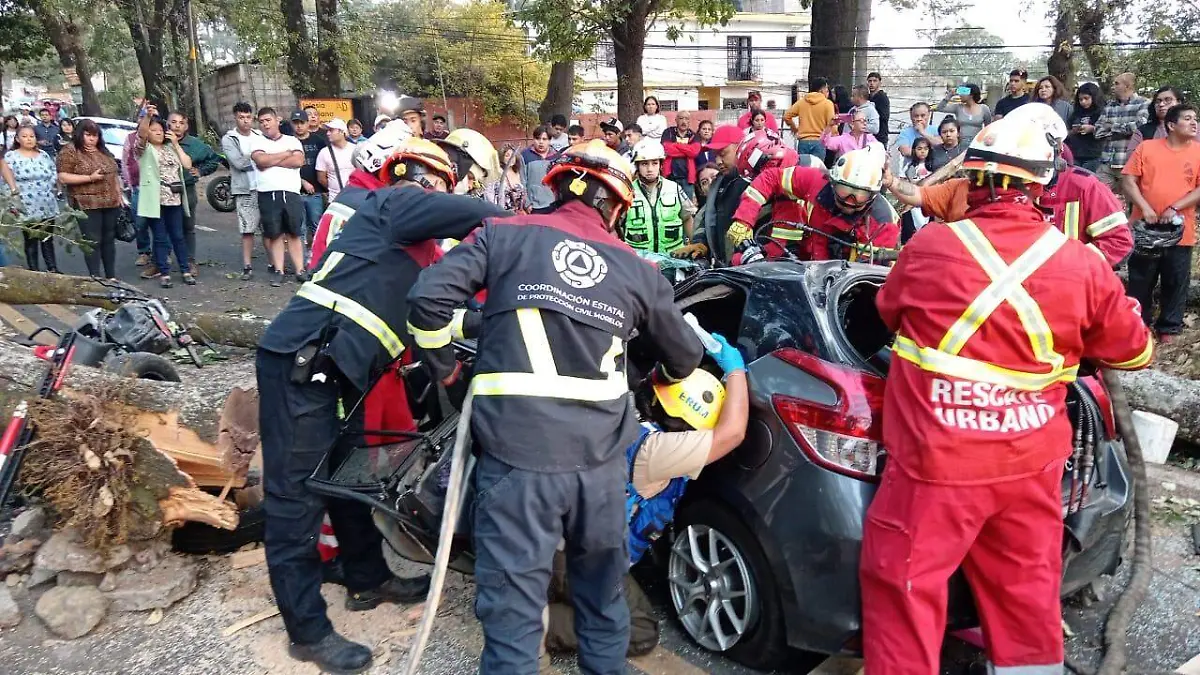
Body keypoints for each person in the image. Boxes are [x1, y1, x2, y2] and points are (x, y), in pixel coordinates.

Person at [860, 113, 1154, 675]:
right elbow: (1135, 353)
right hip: (1029, 466)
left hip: (933, 466)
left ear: (974, 177)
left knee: (904, 589)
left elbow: (887, 312)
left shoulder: (930, 248)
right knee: (1024, 595)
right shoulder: (1083, 266)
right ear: (1043, 183)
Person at [405, 139, 705, 675]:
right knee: (603, 605)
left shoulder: (503, 234)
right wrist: (651, 371)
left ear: (557, 185)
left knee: (515, 622)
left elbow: (428, 300)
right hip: (599, 470)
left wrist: (445, 366)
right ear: (616, 206)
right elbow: (685, 356)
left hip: (516, 463)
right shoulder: (636, 267)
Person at [258, 137, 506, 674]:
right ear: (424, 177)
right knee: (295, 501)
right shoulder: (394, 202)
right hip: (303, 361)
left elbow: (438, 320)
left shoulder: (413, 251)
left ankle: (366, 578)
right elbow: (475, 213)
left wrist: (494, 316)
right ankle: (307, 631)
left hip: (338, 367)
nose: (445, 192)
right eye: (444, 182)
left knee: (347, 480)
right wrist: (530, 230)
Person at [544, 335, 749, 657]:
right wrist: (737, 372)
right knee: (638, 632)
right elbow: (733, 433)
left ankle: (535, 593)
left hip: (554, 541)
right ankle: (532, 622)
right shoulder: (655, 452)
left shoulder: (627, 418)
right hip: (577, 560)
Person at [893, 102, 1133, 269]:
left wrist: (1071, 265)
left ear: (1055, 147)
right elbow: (921, 195)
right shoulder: (976, 188)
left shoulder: (1084, 187)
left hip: (1062, 295)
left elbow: (1118, 241)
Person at [730, 143, 899, 263]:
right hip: (808, 263)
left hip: (842, 284)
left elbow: (865, 278)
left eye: (859, 195)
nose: (849, 201)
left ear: (873, 195)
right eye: (844, 191)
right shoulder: (817, 182)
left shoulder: (882, 223)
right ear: (833, 181)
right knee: (740, 260)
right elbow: (771, 178)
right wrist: (743, 220)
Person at [1122, 103, 1200, 344]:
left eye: (1195, 118)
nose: (1194, 122)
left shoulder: (1198, 152)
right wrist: (1144, 207)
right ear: (1171, 125)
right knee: (1140, 280)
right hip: (1145, 228)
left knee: (1176, 280)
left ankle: (1169, 327)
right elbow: (1128, 180)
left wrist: (1175, 206)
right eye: (1187, 118)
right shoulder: (1147, 147)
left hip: (1180, 229)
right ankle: (1136, 326)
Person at [57, 119, 123, 279]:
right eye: (88, 135)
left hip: (110, 202)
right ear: (80, 134)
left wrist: (119, 194)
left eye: (95, 135)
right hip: (86, 203)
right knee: (92, 241)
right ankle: (95, 277)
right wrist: (89, 178)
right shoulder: (70, 150)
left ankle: (111, 277)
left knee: (108, 240)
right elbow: (63, 177)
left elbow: (114, 174)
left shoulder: (104, 151)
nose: (92, 139)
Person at [134, 113, 194, 288]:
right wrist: (147, 117)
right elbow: (141, 135)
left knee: (178, 236)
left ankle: (185, 270)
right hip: (155, 199)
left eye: (160, 130)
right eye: (154, 130)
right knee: (160, 237)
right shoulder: (144, 150)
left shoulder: (171, 147)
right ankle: (164, 272)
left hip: (174, 198)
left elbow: (187, 164)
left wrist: (175, 144)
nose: (158, 133)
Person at [249, 107, 307, 287]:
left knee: (294, 232)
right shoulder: (256, 142)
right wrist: (285, 154)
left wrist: (271, 160)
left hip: (290, 192)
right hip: (267, 193)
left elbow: (298, 161)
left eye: (268, 120)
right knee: (275, 234)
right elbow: (261, 161)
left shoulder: (292, 140)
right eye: (261, 121)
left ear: (277, 120)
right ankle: (279, 270)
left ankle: (300, 270)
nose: (265, 124)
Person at [168, 111, 222, 275]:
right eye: (174, 122)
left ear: (186, 126)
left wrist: (200, 171)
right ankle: (160, 261)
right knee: (164, 226)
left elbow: (214, 159)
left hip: (186, 189)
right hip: (164, 190)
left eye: (181, 123)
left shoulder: (195, 144)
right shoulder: (160, 140)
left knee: (188, 226)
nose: (177, 126)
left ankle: (189, 260)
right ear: (167, 124)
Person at [624, 138, 696, 254]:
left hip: (673, 258)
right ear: (637, 165)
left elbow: (687, 218)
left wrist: (694, 245)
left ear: (661, 164)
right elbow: (616, 225)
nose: (650, 169)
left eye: (655, 163)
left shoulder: (674, 188)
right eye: (644, 164)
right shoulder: (626, 191)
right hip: (638, 261)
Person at [4, 125, 60, 272]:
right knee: (31, 239)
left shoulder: (43, 155)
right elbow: (5, 181)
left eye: (32, 136)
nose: (29, 139)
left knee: (47, 237)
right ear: (17, 139)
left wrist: (51, 185)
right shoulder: (11, 156)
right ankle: (34, 270)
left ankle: (52, 268)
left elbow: (53, 172)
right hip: (26, 205)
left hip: (46, 202)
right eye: (24, 136)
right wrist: (12, 202)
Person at [222, 102, 262, 282]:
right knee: (247, 229)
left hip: (264, 186)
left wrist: (263, 159)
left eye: (248, 117)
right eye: (241, 117)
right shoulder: (230, 138)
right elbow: (238, 163)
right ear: (235, 118)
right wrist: (262, 159)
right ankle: (247, 265)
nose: (245, 121)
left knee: (270, 228)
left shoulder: (259, 135)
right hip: (245, 189)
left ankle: (274, 265)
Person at [1094, 72, 1150, 194]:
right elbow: (1097, 131)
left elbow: (1139, 127)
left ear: (1127, 85)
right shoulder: (1109, 106)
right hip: (1107, 163)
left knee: (1130, 203)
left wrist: (1112, 127)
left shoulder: (1143, 103)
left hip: (1128, 163)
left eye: (1117, 83)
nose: (1113, 87)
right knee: (1099, 197)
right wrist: (1124, 130)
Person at [290, 111, 329, 248]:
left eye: (302, 123)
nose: (299, 126)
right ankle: (303, 262)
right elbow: (285, 166)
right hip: (295, 192)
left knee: (317, 226)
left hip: (316, 192)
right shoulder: (288, 142)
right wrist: (302, 181)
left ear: (307, 123)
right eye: (295, 123)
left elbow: (327, 163)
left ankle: (318, 258)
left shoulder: (319, 141)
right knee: (299, 229)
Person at [784, 77, 836, 160]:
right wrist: (834, 136)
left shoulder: (802, 102)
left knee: (803, 169)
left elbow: (787, 116)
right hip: (819, 141)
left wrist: (794, 129)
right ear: (821, 90)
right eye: (826, 89)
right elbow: (832, 123)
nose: (827, 91)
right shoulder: (828, 104)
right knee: (817, 171)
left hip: (803, 141)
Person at [1131, 86, 1184, 155]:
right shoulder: (1143, 131)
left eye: (1167, 100)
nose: (1161, 104)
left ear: (1179, 102)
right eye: (1158, 101)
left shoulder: (1194, 127)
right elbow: (1133, 160)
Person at [315, 118, 356, 205]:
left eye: (331, 130)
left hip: (356, 197)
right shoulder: (324, 152)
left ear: (341, 132)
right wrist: (333, 189)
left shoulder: (355, 149)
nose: (327, 133)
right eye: (327, 130)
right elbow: (321, 178)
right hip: (334, 200)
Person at [1066, 83, 1105, 173]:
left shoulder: (1102, 113)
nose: (1083, 102)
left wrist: (1092, 129)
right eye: (1080, 99)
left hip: (1094, 156)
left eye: (1086, 98)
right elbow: (1067, 130)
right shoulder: (1076, 113)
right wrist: (1073, 131)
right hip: (1075, 155)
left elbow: (1107, 130)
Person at [900, 137, 933, 243]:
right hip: (913, 202)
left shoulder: (933, 167)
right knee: (911, 228)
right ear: (914, 150)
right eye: (919, 149)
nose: (922, 151)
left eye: (925, 149)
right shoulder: (908, 167)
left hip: (928, 201)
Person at [520, 125, 558, 213]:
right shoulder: (525, 156)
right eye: (538, 138)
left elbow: (559, 181)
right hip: (533, 206)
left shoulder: (556, 156)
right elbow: (522, 181)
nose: (541, 142)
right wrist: (527, 203)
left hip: (552, 204)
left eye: (544, 139)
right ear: (533, 139)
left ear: (549, 140)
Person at [661, 110, 696, 197]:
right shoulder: (668, 132)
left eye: (686, 119)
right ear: (676, 120)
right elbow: (666, 149)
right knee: (669, 203)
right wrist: (686, 149)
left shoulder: (694, 135)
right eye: (681, 118)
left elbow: (694, 152)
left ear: (689, 121)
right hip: (670, 176)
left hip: (687, 178)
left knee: (688, 207)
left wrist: (676, 145)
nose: (684, 121)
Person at [487, 144, 526, 212]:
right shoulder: (499, 174)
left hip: (520, 211)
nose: (510, 158)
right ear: (502, 158)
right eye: (507, 155)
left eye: (512, 155)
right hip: (505, 211)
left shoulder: (519, 172)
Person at [866, 72, 891, 145]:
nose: (872, 83)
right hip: (868, 135)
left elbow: (884, 116)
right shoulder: (867, 97)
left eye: (874, 81)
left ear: (880, 83)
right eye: (870, 81)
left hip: (880, 135)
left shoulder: (882, 98)